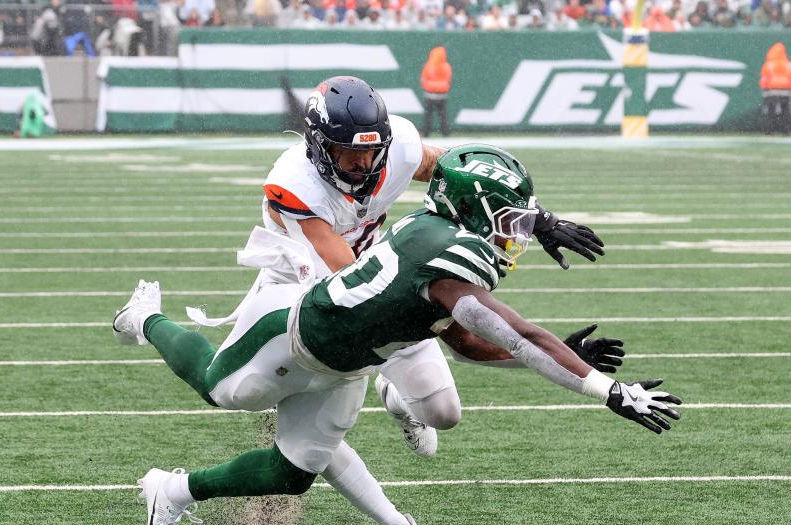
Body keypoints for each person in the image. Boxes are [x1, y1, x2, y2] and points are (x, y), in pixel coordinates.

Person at [113, 144, 681, 525]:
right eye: (511, 220)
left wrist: (543, 228)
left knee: (291, 475)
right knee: (220, 389)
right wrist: (606, 388)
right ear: (478, 214)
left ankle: (173, 490)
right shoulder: (450, 254)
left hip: (351, 361)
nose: (517, 234)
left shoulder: (436, 230)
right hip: (294, 336)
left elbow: (469, 342)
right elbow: (519, 334)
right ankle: (146, 319)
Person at [188, 76, 604, 460]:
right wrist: (419, 304)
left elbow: (465, 175)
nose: (363, 163)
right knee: (243, 390)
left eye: (371, 150)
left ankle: (395, 397)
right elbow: (350, 277)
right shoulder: (295, 184)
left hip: (379, 268)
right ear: (318, 146)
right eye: (349, 152)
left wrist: (539, 218)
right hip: (301, 283)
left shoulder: (400, 147)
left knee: (444, 412)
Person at [758, 41, 791, 135]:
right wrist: (790, 87)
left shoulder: (768, 65)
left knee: (771, 112)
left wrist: (765, 88)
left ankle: (770, 131)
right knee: (785, 112)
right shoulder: (787, 65)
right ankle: (786, 131)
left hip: (771, 92)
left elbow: (764, 80)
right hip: (785, 92)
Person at [420, 46, 452, 137]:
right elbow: (448, 79)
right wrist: (442, 87)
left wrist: (430, 87)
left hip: (430, 94)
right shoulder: (446, 66)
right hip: (442, 95)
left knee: (428, 115)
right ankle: (445, 132)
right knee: (443, 115)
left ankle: (426, 133)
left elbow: (423, 79)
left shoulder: (428, 66)